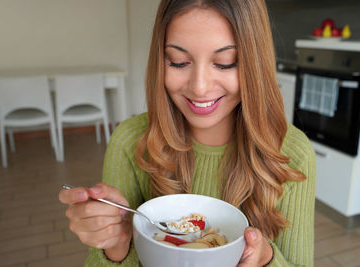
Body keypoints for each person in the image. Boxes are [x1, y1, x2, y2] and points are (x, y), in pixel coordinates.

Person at [58, 0, 316, 266]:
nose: (200, 87)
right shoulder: (130, 142)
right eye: (179, 62)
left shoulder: (291, 153)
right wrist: (117, 245)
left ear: (255, 63)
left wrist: (266, 259)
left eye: (226, 63)